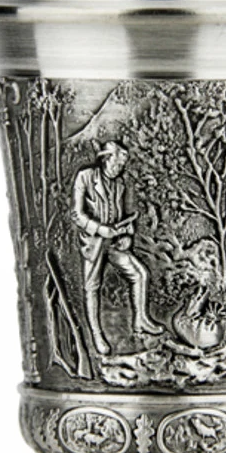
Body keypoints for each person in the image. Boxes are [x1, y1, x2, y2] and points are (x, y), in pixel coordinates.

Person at [71, 141, 163, 355]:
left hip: (113, 242)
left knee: (140, 273)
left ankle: (140, 320)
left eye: (122, 165)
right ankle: (96, 334)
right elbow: (77, 214)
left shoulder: (119, 184)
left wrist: (127, 235)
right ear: (106, 159)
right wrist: (101, 229)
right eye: (117, 164)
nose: (119, 168)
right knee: (92, 287)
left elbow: (122, 217)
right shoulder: (85, 177)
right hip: (93, 243)